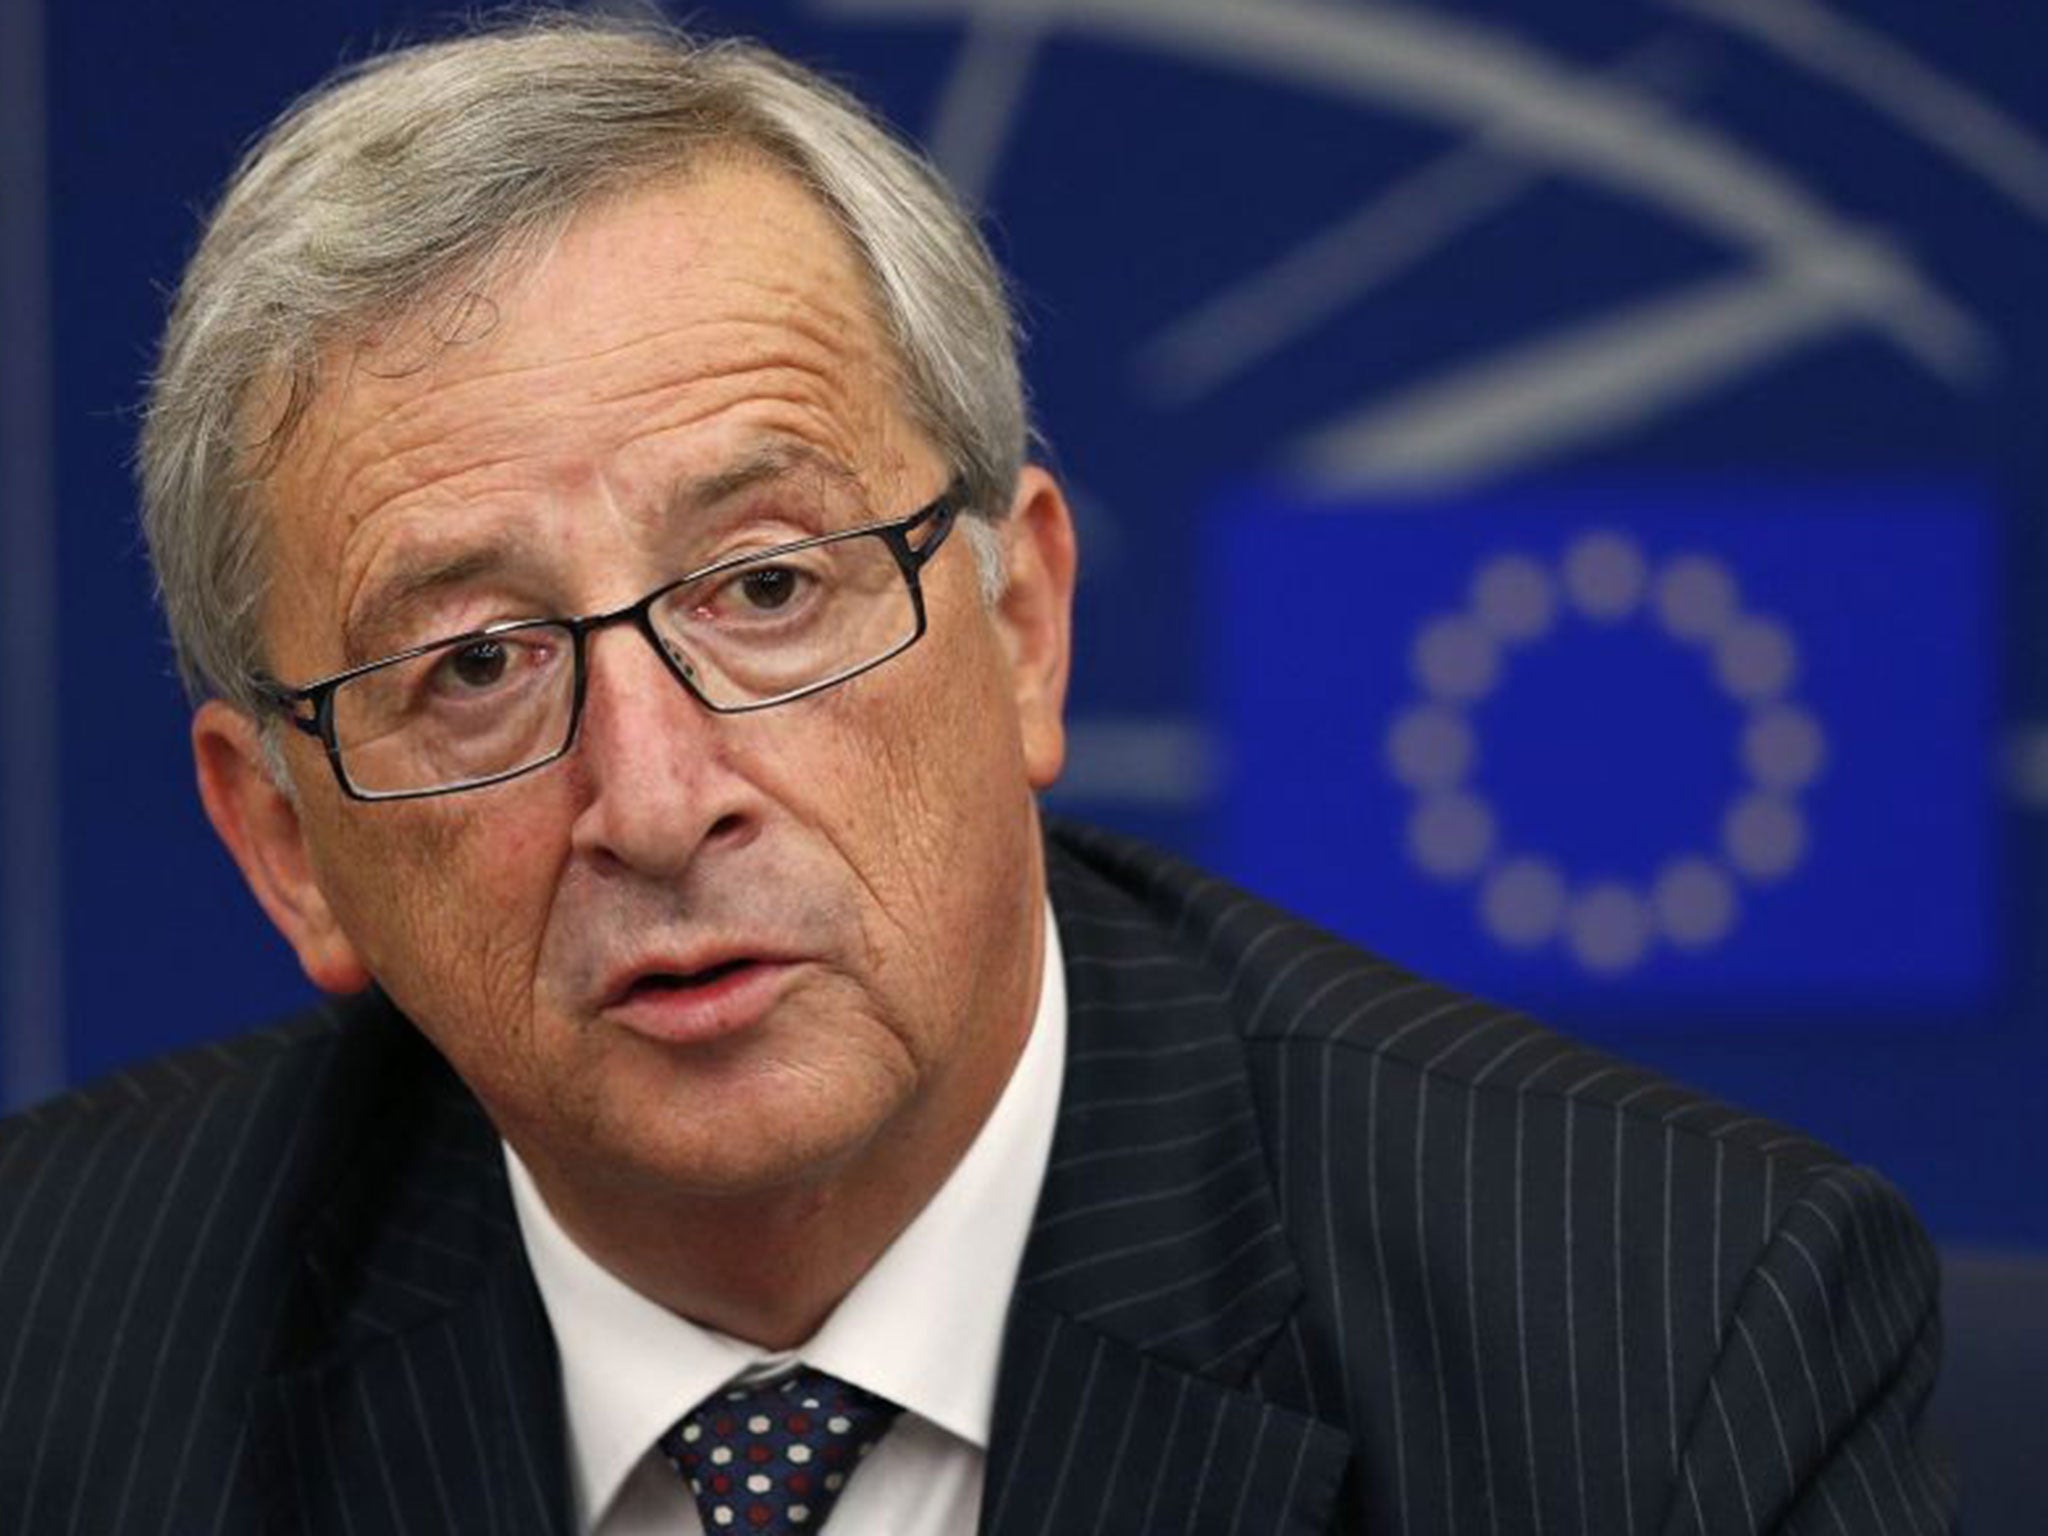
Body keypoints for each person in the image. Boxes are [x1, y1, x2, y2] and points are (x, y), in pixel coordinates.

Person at [0, 13, 1949, 1535]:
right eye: (478, 667)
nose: (660, 801)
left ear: (1020, 622)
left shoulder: (1655, 1340)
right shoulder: (54, 1363)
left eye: (767, 586)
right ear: (286, 847)